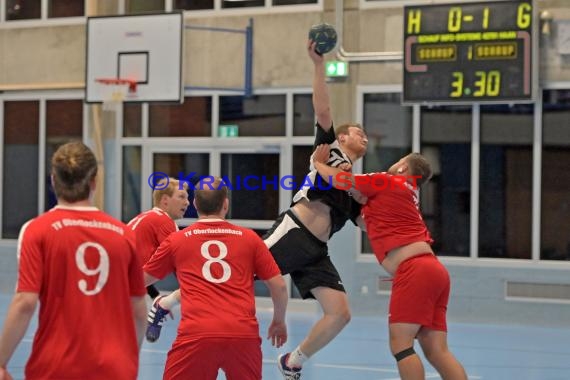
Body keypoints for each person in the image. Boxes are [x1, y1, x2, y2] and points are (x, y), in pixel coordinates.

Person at [313, 145, 468, 380]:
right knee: (437, 350)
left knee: (401, 344)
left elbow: (341, 180)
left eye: (399, 161)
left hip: (414, 270)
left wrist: (317, 164)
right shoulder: (407, 193)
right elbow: (366, 212)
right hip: (434, 271)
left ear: (403, 167)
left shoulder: (386, 181)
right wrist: (358, 193)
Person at [263, 39, 368, 379]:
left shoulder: (354, 183)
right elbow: (322, 109)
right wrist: (318, 64)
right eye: (358, 132)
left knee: (339, 312)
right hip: (295, 231)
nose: (364, 137)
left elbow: (366, 224)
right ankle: (169, 300)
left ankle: (292, 361)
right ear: (343, 136)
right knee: (236, 269)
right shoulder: (330, 150)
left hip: (316, 250)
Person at [0, 141, 147, 380]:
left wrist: (1, 362)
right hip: (115, 367)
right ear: (94, 182)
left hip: (56, 366)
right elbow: (139, 311)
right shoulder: (124, 234)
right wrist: (127, 358)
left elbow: (25, 302)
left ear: (53, 181)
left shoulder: (38, 231)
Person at [143, 176, 289, 380]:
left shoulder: (176, 240)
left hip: (196, 335)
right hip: (242, 335)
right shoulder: (249, 238)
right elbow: (279, 286)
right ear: (225, 204)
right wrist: (279, 321)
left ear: (195, 204)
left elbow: (140, 281)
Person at [127, 177, 190, 342]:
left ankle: (163, 304)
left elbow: (138, 264)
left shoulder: (147, 218)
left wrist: (155, 296)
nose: (188, 202)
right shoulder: (163, 221)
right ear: (165, 200)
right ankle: (164, 304)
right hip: (119, 288)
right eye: (182, 196)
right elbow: (182, 266)